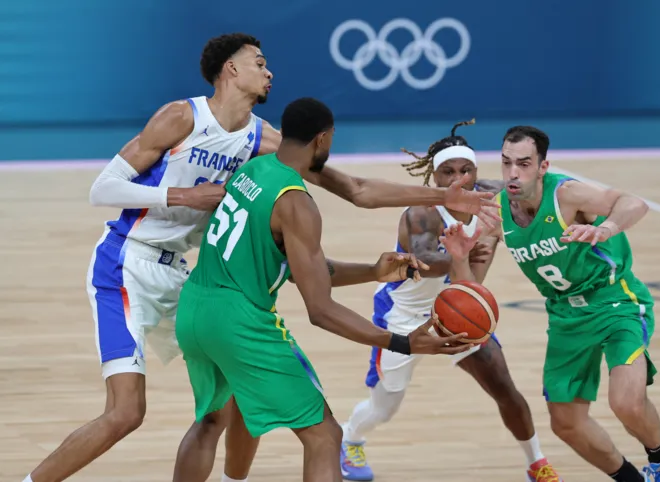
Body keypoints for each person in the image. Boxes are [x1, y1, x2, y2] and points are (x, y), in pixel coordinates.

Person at [19, 33, 500, 482]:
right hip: (128, 261)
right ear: (230, 69)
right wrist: (186, 196)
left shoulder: (265, 144)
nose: (269, 73)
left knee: (223, 407)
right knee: (128, 412)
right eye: (260, 63)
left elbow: (355, 188)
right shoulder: (181, 117)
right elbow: (101, 188)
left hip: (192, 279)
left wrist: (441, 199)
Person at [175, 96, 476, 482]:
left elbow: (302, 270)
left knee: (215, 418)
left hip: (195, 310)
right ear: (322, 139)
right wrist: (400, 342)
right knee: (325, 435)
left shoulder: (252, 169)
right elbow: (320, 310)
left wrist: (372, 270)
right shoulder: (297, 203)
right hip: (239, 322)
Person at [338, 120, 563, 482]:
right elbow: (424, 262)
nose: (458, 178)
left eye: (465, 169)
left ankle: (536, 462)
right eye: (447, 172)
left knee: (504, 386)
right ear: (434, 176)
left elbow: (543, 192)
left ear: (476, 170)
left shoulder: (493, 195)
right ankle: (349, 437)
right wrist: (465, 251)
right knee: (385, 405)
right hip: (405, 315)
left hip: (459, 311)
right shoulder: (421, 213)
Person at [471, 126, 660, 482]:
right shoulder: (497, 212)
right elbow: (470, 281)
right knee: (566, 423)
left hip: (615, 301)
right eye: (507, 162)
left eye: (524, 164)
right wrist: (458, 262)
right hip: (565, 314)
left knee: (626, 403)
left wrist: (607, 228)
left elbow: (634, 202)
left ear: (542, 166)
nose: (512, 173)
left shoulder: (566, 194)